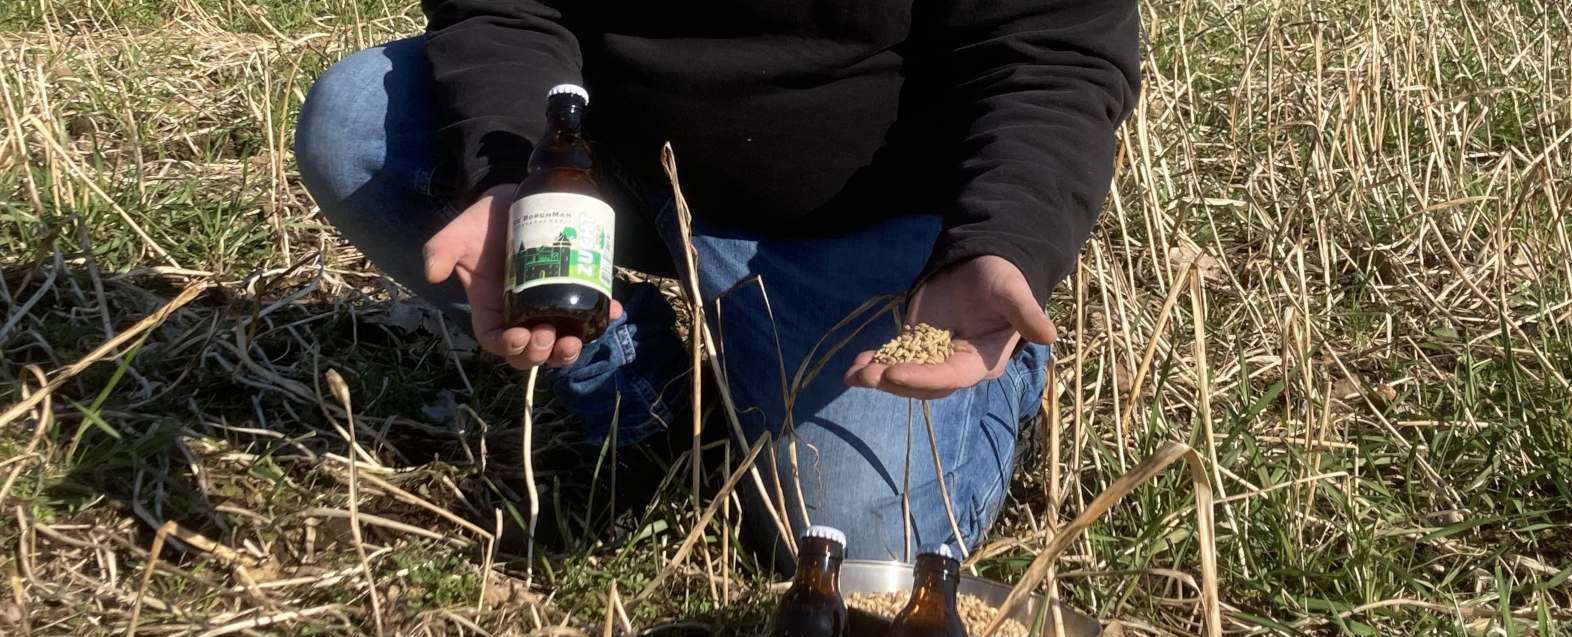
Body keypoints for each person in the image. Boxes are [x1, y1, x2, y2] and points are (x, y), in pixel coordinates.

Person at [294, 1, 1140, 566]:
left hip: (863, 210)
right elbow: (503, 4)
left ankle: (999, 365)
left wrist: (1002, 240)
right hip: (605, 145)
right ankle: (637, 389)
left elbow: (1052, 46)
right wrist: (517, 162)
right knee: (358, 128)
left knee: (849, 549)